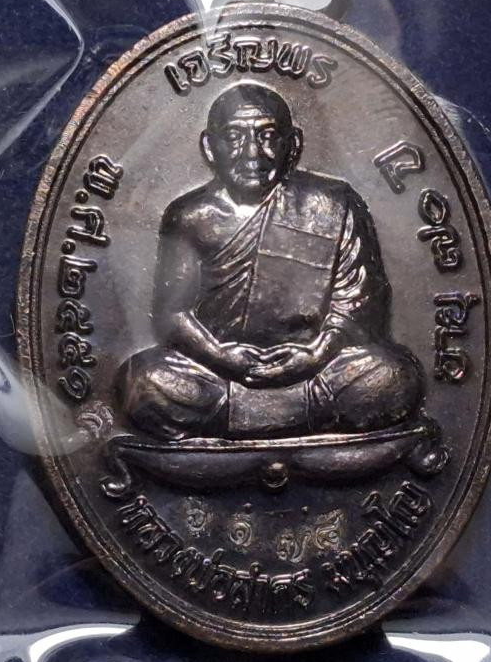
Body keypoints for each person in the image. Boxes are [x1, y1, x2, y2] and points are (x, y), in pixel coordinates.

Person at [116, 83, 423, 440]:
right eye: (234, 137)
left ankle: (242, 419)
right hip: (217, 375)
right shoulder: (190, 216)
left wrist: (316, 354)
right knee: (141, 383)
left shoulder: (335, 205)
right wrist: (220, 356)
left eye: (267, 136)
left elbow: (360, 305)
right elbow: (172, 315)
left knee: (394, 376)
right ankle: (298, 417)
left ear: (293, 146)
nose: (252, 153)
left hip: (317, 371)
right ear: (210, 147)